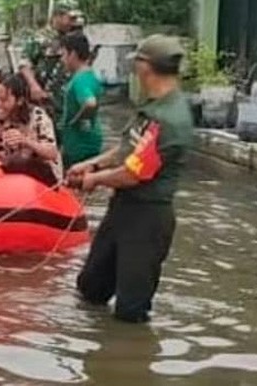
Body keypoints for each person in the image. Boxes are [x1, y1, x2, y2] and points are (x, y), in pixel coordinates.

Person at [68, 34, 194, 323]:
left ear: (145, 67)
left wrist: (95, 179)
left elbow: (134, 173)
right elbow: (129, 147)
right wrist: (91, 164)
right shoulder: (153, 106)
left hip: (147, 219)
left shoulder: (170, 119)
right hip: (123, 211)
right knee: (90, 288)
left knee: (131, 311)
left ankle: (131, 358)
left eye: (136, 64)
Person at [0, 74, 62, 186]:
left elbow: (51, 153)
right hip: (15, 177)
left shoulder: (38, 117)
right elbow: (1, 156)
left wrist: (25, 141)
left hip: (44, 177)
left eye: (4, 100)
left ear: (19, 100)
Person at [25, 1, 81, 122]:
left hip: (67, 101)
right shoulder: (40, 38)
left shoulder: (74, 37)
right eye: (70, 18)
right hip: (45, 100)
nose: (74, 22)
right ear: (57, 16)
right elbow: (24, 64)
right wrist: (33, 85)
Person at [60, 32, 103, 168]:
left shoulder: (81, 80)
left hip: (81, 147)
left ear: (72, 54)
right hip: (83, 142)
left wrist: (76, 120)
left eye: (63, 54)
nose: (62, 60)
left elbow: (90, 103)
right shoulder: (88, 75)